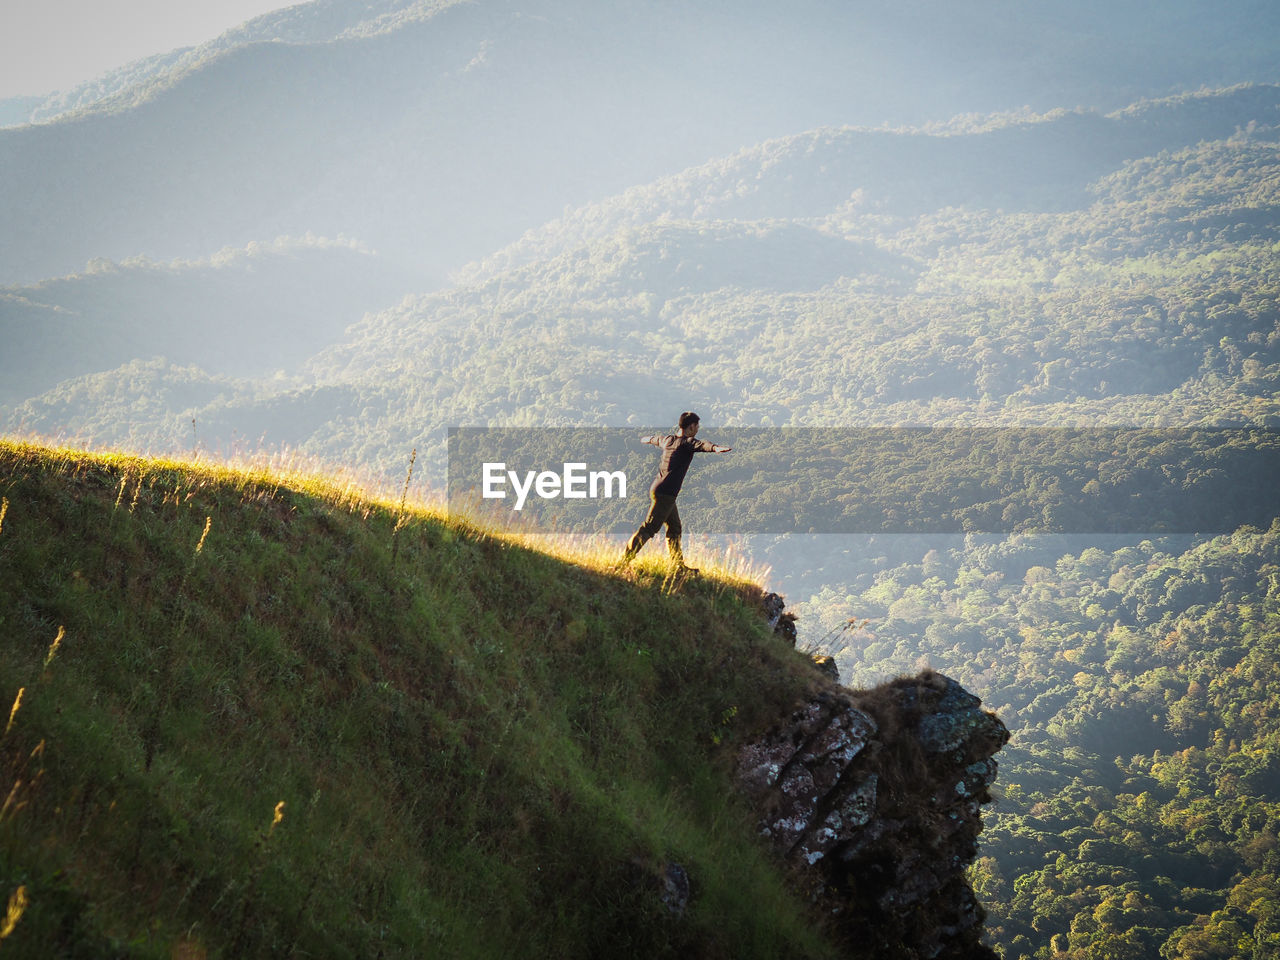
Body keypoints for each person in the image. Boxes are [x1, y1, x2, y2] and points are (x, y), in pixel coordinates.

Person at [618, 411, 731, 569]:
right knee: (649, 528)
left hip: (659, 490)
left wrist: (646, 439)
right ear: (691, 427)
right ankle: (623, 562)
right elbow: (702, 445)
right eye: (697, 426)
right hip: (666, 494)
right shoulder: (687, 443)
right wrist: (715, 448)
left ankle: (678, 566)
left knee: (675, 527)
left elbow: (654, 439)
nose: (698, 429)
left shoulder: (668, 440)